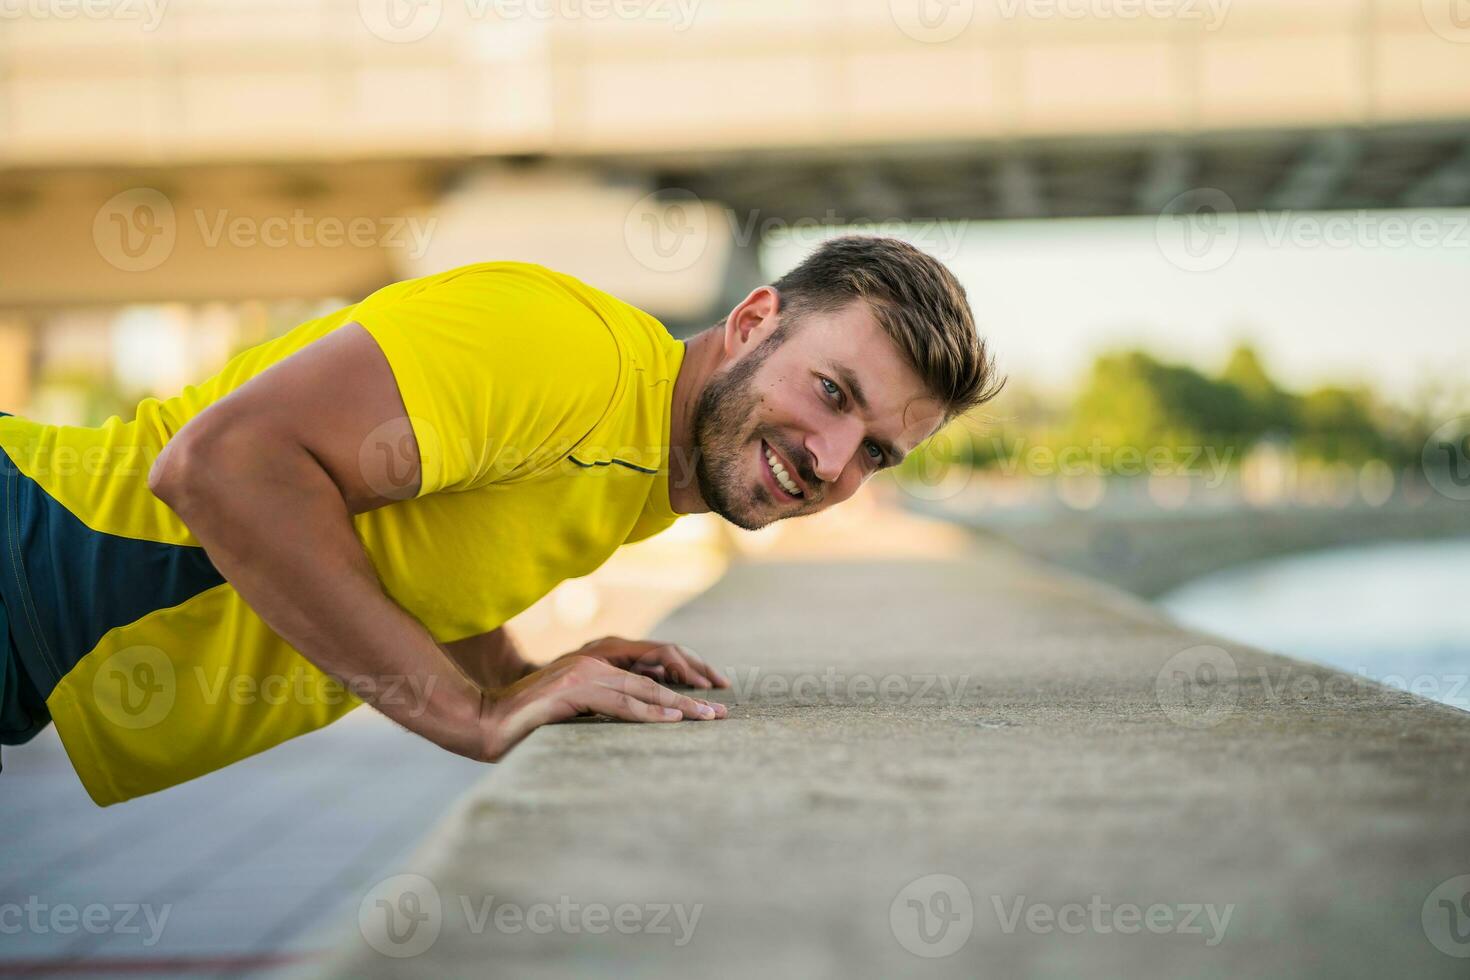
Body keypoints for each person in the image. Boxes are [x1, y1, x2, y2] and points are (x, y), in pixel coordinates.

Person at [0, 235, 1002, 806]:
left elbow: (416, 546)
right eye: (832, 390)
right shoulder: (574, 352)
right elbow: (223, 467)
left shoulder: (646, 455)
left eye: (876, 451)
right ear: (749, 322)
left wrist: (513, 674)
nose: (831, 460)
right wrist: (466, 713)